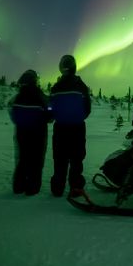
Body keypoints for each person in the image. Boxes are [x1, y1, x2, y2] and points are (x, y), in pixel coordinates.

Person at [48, 54, 92, 198]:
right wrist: (77, 118)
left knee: (60, 159)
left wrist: (56, 116)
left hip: (60, 129)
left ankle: (57, 188)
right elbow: (87, 109)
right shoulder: (81, 86)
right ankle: (76, 188)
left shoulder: (56, 87)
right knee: (76, 159)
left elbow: (50, 108)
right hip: (77, 128)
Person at [9, 69, 51, 195]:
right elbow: (50, 113)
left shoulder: (18, 97)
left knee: (23, 158)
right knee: (36, 160)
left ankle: (18, 186)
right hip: (38, 133)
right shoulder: (40, 96)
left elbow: (13, 114)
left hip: (21, 132)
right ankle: (32, 187)